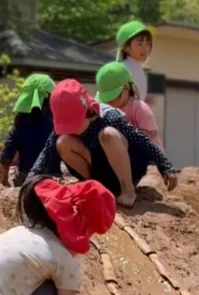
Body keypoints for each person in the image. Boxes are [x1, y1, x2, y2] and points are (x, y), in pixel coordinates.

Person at [29, 80, 177, 208]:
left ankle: (128, 190)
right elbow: (46, 152)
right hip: (98, 169)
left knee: (108, 135)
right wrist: (31, 179)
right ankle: (93, 186)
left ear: (87, 112)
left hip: (125, 168)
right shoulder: (66, 130)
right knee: (62, 142)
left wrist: (165, 166)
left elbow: (143, 140)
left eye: (73, 123)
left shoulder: (109, 117)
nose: (70, 128)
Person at [0, 74, 56, 187]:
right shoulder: (55, 123)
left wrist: (4, 180)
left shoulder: (19, 125)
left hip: (27, 178)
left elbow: (6, 157)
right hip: (52, 176)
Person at [95, 61, 162, 147]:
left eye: (112, 97)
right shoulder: (104, 109)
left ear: (126, 89)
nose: (109, 101)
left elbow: (150, 135)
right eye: (105, 98)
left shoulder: (139, 108)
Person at [115, 20, 155, 107]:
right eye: (140, 44)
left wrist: (143, 101)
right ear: (126, 47)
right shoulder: (123, 69)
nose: (145, 48)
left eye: (148, 44)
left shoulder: (137, 68)